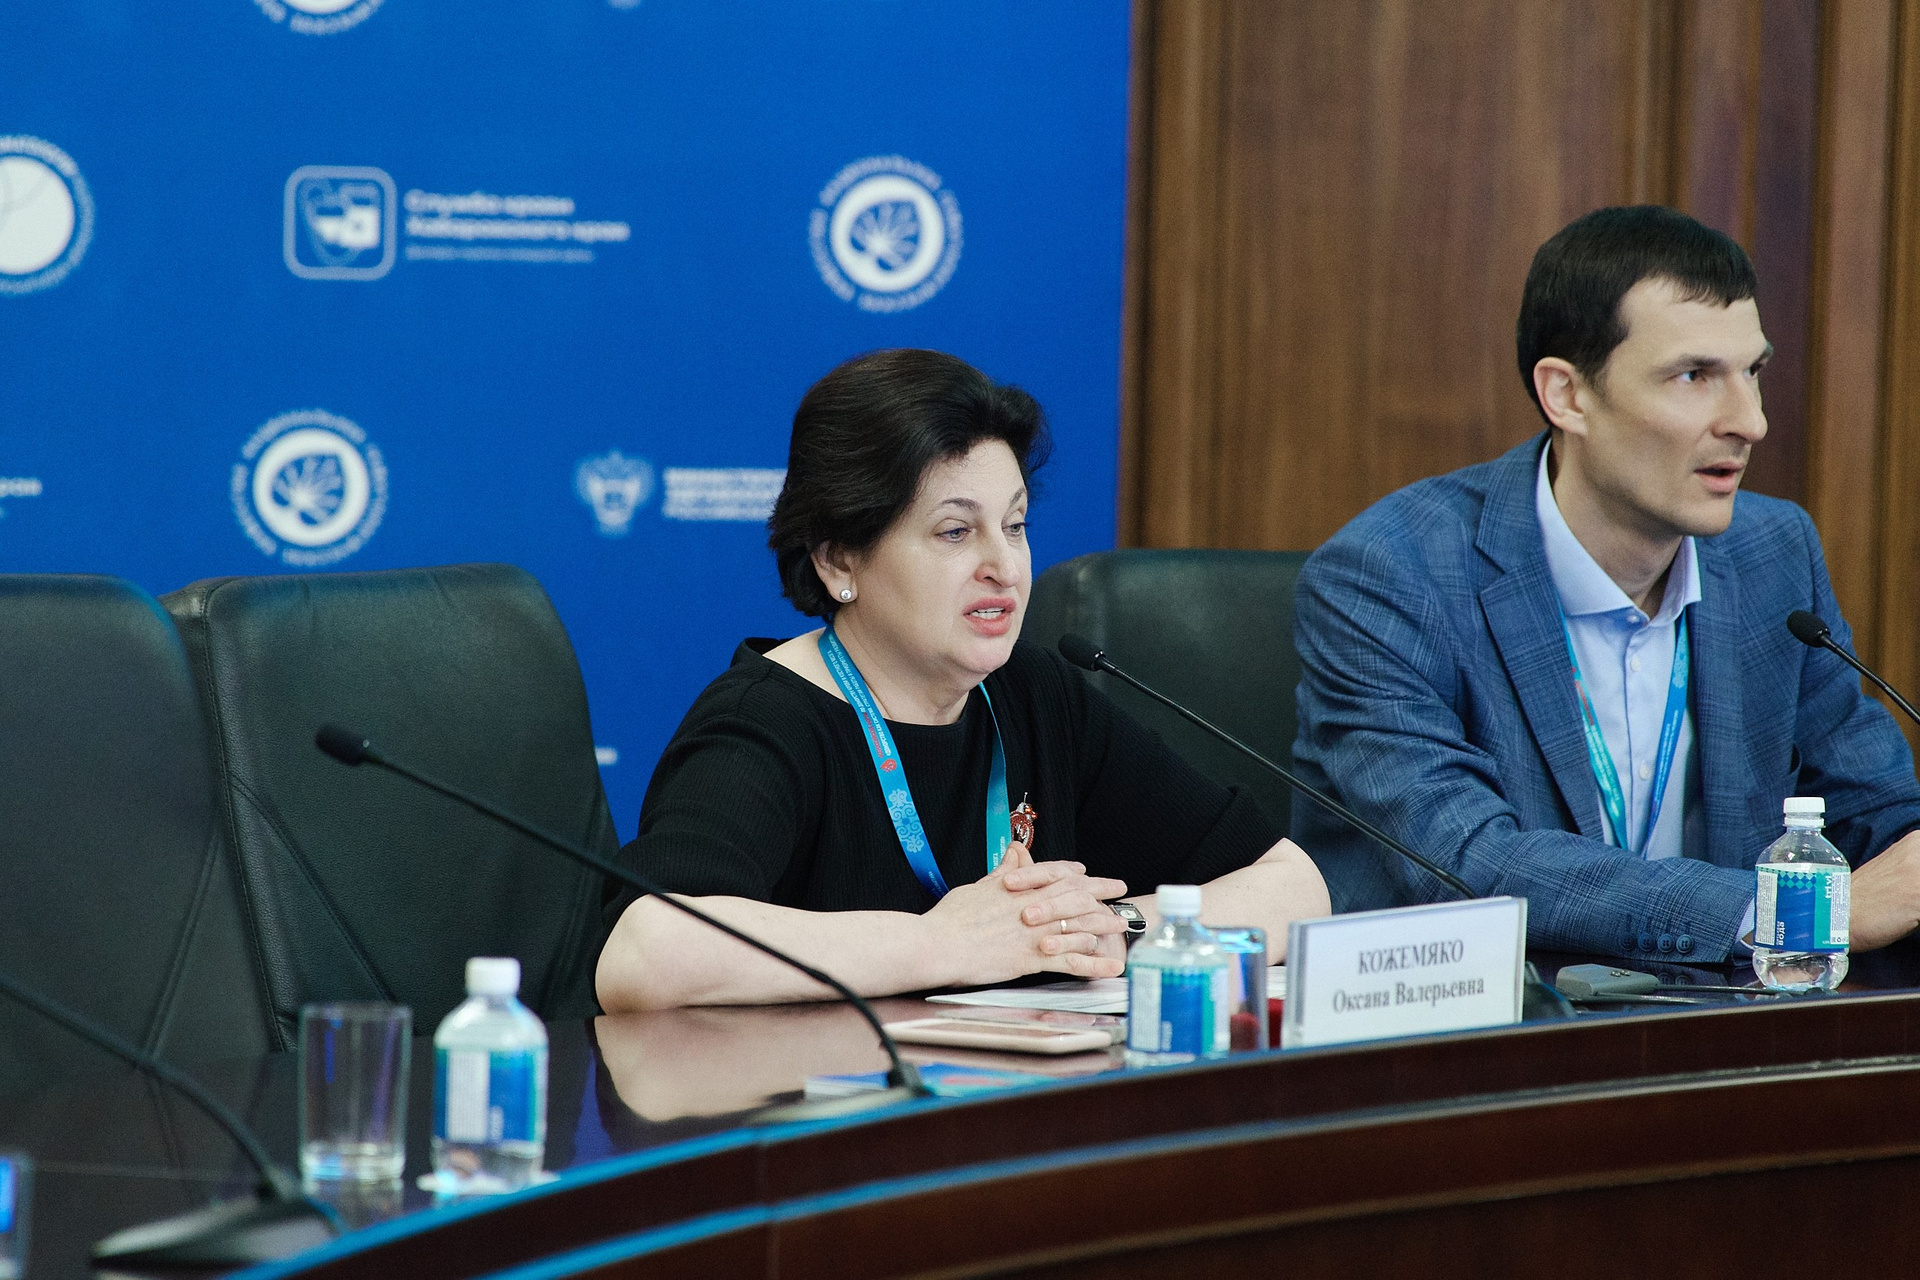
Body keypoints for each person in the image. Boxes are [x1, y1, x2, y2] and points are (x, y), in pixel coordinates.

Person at [597, 349, 1329, 1010]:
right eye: (956, 531)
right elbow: (645, 951)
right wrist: (943, 944)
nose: (1004, 567)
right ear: (838, 559)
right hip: (811, 1107)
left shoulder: (1034, 693)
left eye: (1015, 526)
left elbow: (1294, 886)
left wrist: (1119, 925)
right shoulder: (767, 721)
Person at [1291, 205, 1920, 964]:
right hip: (1500, 1020)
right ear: (1567, 395)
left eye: (1752, 372)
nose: (1749, 421)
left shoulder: (1773, 555)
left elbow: (1874, 813)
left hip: (1729, 1016)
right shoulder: (1390, 577)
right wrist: (1802, 910)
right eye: (1694, 376)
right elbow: (1464, 862)